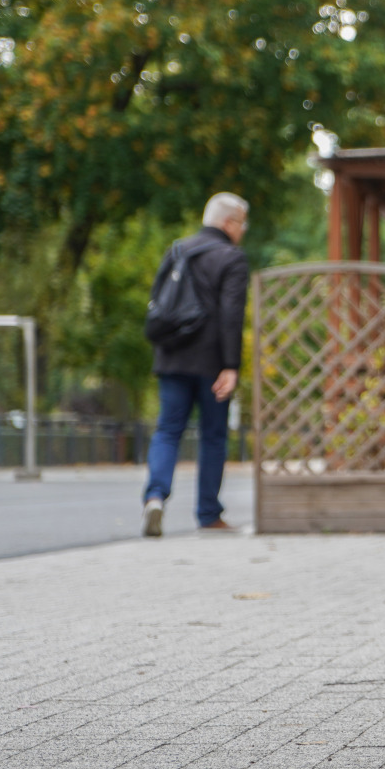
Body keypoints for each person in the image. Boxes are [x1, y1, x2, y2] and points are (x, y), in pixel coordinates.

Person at [142, 193, 250, 537]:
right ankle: (208, 514)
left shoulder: (177, 250)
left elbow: (159, 304)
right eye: (242, 224)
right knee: (213, 437)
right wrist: (231, 365)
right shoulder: (231, 258)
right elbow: (231, 316)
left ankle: (155, 497)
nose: (243, 231)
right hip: (212, 364)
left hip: (172, 357)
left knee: (168, 430)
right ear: (229, 223)